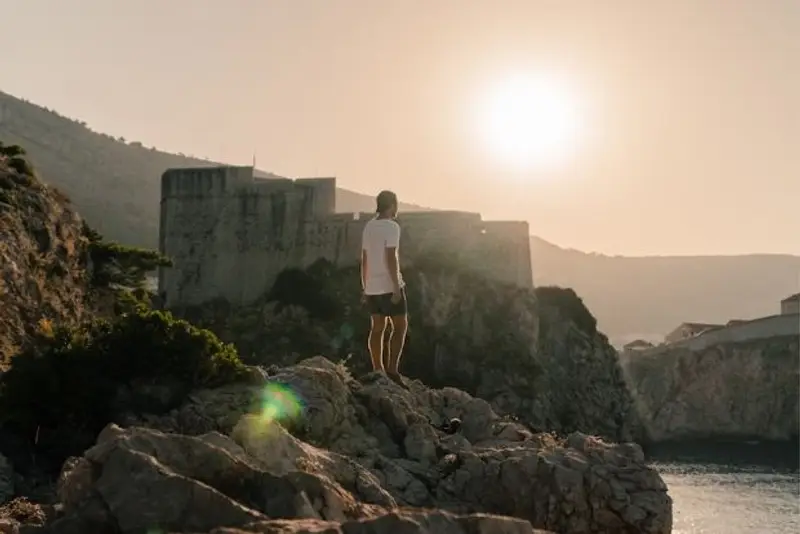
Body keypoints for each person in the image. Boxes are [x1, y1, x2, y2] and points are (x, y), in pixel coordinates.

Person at [360, 190, 408, 386]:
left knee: (377, 327)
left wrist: (365, 286)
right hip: (388, 285)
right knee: (400, 327)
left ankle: (377, 370)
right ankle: (392, 370)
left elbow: (364, 258)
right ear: (392, 205)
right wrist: (396, 287)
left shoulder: (369, 226)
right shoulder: (392, 227)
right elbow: (391, 257)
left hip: (372, 286)